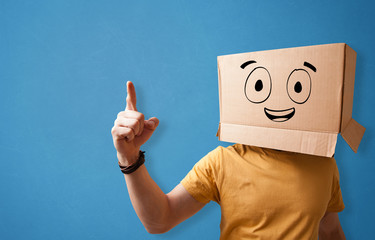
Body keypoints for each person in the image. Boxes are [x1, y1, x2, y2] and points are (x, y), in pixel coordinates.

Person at [111, 81, 346, 239]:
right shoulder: (222, 162)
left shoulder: (323, 163)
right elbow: (160, 221)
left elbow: (331, 230)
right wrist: (129, 156)